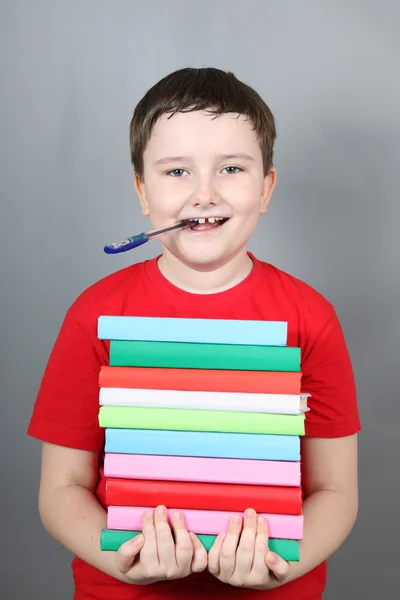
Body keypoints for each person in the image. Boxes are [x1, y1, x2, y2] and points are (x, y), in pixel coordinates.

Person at [27, 67, 361, 600]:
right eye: (177, 171)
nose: (204, 194)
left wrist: (281, 564)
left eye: (231, 168)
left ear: (267, 186)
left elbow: (336, 490)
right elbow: (60, 490)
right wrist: (123, 560)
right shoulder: (94, 314)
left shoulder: (311, 318)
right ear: (143, 191)